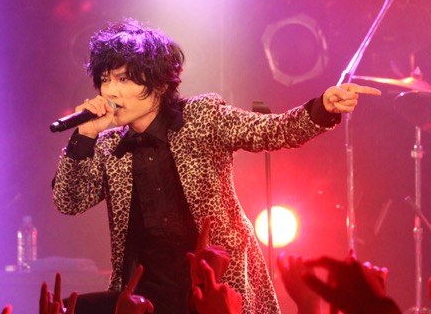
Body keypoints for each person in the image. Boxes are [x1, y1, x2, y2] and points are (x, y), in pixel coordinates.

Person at [52, 19, 381, 313]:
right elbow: (69, 201)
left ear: (160, 83)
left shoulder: (201, 118)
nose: (110, 91)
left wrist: (322, 108)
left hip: (214, 290)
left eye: (123, 79)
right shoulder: (109, 145)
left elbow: (271, 130)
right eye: (105, 80)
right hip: (146, 295)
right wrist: (85, 136)